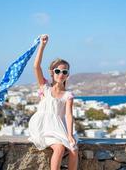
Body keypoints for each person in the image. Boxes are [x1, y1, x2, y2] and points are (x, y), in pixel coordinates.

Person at [28, 34, 79, 170]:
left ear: (67, 75)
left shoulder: (68, 95)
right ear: (52, 72)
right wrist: (42, 46)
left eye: (64, 71)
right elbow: (36, 67)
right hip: (44, 126)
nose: (60, 74)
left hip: (60, 127)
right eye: (57, 71)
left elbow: (68, 115)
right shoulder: (45, 87)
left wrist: (70, 135)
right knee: (59, 148)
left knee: (74, 149)